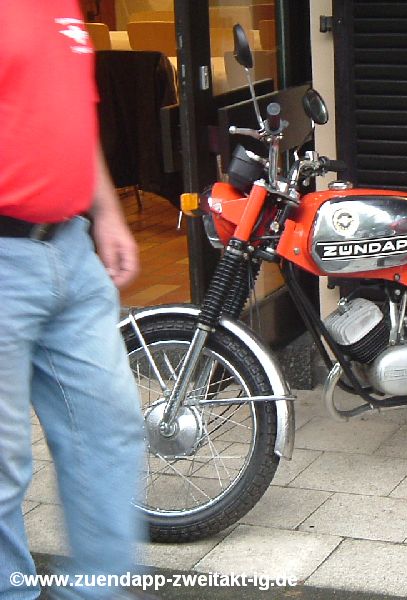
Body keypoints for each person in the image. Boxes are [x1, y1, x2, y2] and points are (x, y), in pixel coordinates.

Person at [0, 2, 145, 598]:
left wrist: (106, 211)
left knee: (107, 433)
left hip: (70, 249)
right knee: (2, 464)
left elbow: (72, 116)